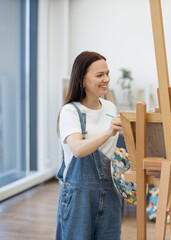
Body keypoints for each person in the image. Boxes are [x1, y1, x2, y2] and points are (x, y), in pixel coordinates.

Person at [56, 51, 123, 240]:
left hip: (110, 192)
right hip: (79, 198)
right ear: (82, 80)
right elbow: (77, 149)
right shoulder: (70, 111)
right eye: (99, 75)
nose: (106, 79)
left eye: (107, 73)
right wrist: (109, 132)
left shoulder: (110, 107)